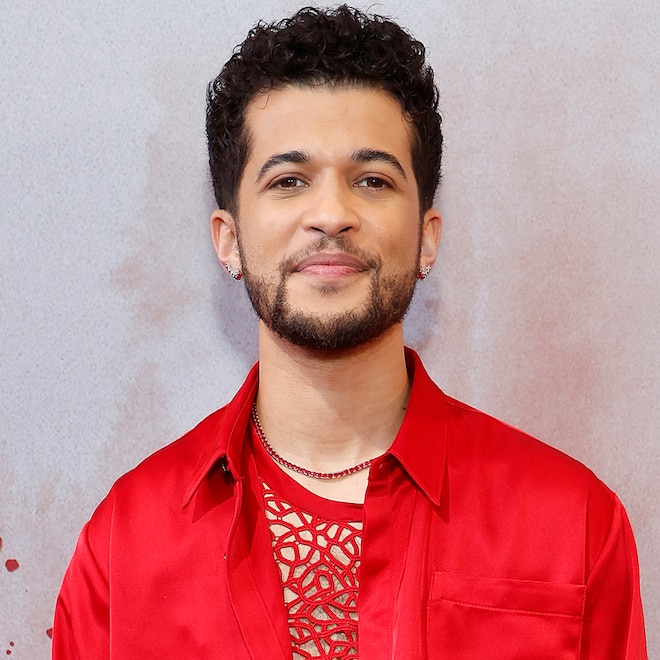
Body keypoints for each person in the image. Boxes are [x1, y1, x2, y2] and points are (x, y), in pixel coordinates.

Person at [53, 5, 647, 658]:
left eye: (372, 180)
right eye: (288, 181)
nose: (332, 213)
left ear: (426, 238)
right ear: (229, 241)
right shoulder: (124, 546)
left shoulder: (572, 525)